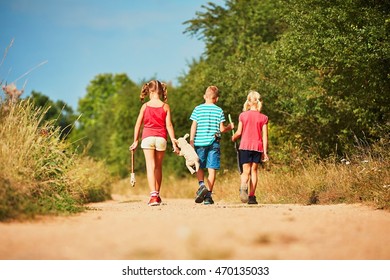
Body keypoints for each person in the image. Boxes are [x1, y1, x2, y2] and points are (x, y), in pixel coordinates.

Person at [129, 80, 179, 206]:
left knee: (150, 166)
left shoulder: (145, 106)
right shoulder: (165, 106)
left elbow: (137, 125)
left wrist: (135, 141)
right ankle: (157, 194)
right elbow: (169, 125)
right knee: (158, 167)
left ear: (150, 91)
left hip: (147, 138)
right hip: (161, 138)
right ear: (161, 91)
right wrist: (174, 142)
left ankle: (153, 196)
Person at [189, 85, 234, 205]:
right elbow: (222, 129)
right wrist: (230, 127)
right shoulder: (219, 110)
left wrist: (191, 141)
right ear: (217, 99)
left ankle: (201, 185)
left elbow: (194, 126)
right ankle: (208, 196)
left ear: (204, 96)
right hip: (213, 142)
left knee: (199, 166)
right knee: (212, 168)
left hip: (199, 142)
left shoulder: (197, 109)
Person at [231, 90, 269, 204]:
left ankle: (243, 186)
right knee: (254, 171)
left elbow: (238, 132)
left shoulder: (243, 115)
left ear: (248, 102)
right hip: (257, 147)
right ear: (258, 102)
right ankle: (252, 197)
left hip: (245, 146)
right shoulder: (264, 118)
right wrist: (265, 152)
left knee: (245, 171)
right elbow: (265, 136)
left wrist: (233, 138)